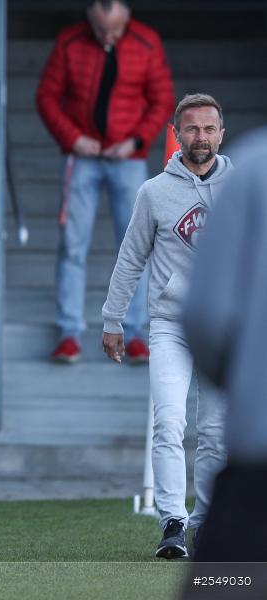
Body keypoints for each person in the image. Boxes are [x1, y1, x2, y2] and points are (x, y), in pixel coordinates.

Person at [101, 94, 232, 559]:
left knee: (216, 432)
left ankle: (208, 525)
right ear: (177, 134)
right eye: (191, 128)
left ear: (221, 133)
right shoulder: (154, 191)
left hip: (225, 326)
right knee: (168, 422)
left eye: (208, 129)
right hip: (171, 324)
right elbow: (131, 257)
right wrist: (113, 317)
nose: (200, 137)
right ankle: (173, 523)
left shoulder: (244, 186)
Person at [36, 0, 174, 363]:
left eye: (114, 30)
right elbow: (47, 97)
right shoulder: (70, 42)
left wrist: (136, 140)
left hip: (128, 160)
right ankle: (69, 332)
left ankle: (136, 333)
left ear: (127, 17)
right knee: (72, 245)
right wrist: (73, 138)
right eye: (100, 30)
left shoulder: (146, 42)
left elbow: (162, 100)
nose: (108, 37)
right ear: (89, 18)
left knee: (137, 248)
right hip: (80, 158)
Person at [182, 127, 267, 565]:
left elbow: (206, 319)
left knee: (227, 583)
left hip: (258, 467)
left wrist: (244, 382)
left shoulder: (252, 168)